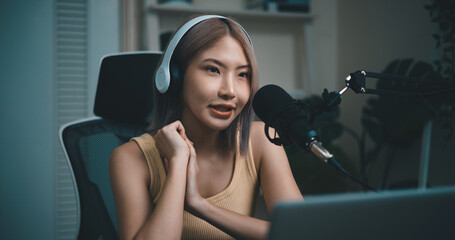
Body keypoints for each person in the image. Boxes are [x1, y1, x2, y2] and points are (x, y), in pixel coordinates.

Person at [109, 15, 303, 240]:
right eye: (213, 69)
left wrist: (199, 205)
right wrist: (178, 162)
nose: (229, 90)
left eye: (243, 75)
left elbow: (298, 233)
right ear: (175, 78)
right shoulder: (130, 158)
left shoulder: (261, 140)